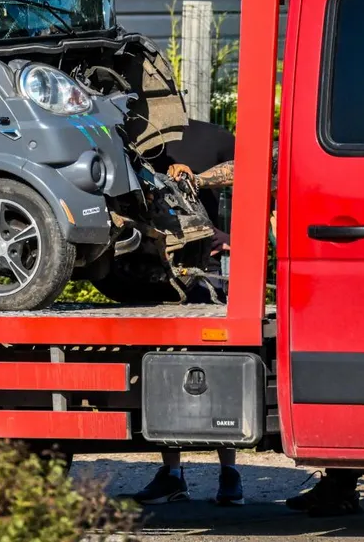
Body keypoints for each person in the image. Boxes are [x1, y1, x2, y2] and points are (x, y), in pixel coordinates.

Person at [132, 118, 243, 507]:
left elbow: (258, 188)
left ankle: (229, 473)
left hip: (210, 277)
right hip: (162, 277)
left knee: (220, 373)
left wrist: (230, 238)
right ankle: (173, 475)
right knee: (165, 376)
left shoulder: (215, 137)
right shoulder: (143, 144)